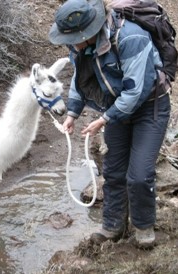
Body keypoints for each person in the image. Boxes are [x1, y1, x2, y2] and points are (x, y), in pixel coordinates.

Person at [49, 0, 171, 248]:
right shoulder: (80, 46)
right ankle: (113, 225)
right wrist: (72, 112)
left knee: (139, 175)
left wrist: (104, 119)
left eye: (70, 38)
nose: (67, 43)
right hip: (117, 108)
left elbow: (135, 92)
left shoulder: (130, 37)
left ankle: (143, 227)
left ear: (88, 31)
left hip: (150, 107)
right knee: (114, 172)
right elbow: (79, 78)